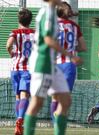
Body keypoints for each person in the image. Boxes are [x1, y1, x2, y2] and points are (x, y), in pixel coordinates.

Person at [23, 0, 81, 134]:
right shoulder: (48, 12)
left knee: (66, 101)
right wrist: (70, 55)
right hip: (42, 63)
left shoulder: (52, 12)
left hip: (52, 64)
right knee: (36, 103)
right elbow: (48, 40)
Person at [50, 1, 86, 121]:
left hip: (54, 63)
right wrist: (70, 47)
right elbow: (83, 47)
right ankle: (59, 120)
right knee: (65, 97)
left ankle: (55, 123)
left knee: (55, 97)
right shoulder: (74, 26)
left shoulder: (51, 24)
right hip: (68, 64)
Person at [6, 8, 34, 135]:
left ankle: (19, 127)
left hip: (15, 68)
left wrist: (11, 53)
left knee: (17, 96)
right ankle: (20, 120)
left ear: (19, 19)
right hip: (27, 69)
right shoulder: (35, 33)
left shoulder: (15, 32)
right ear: (30, 20)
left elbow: (8, 45)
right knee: (25, 95)